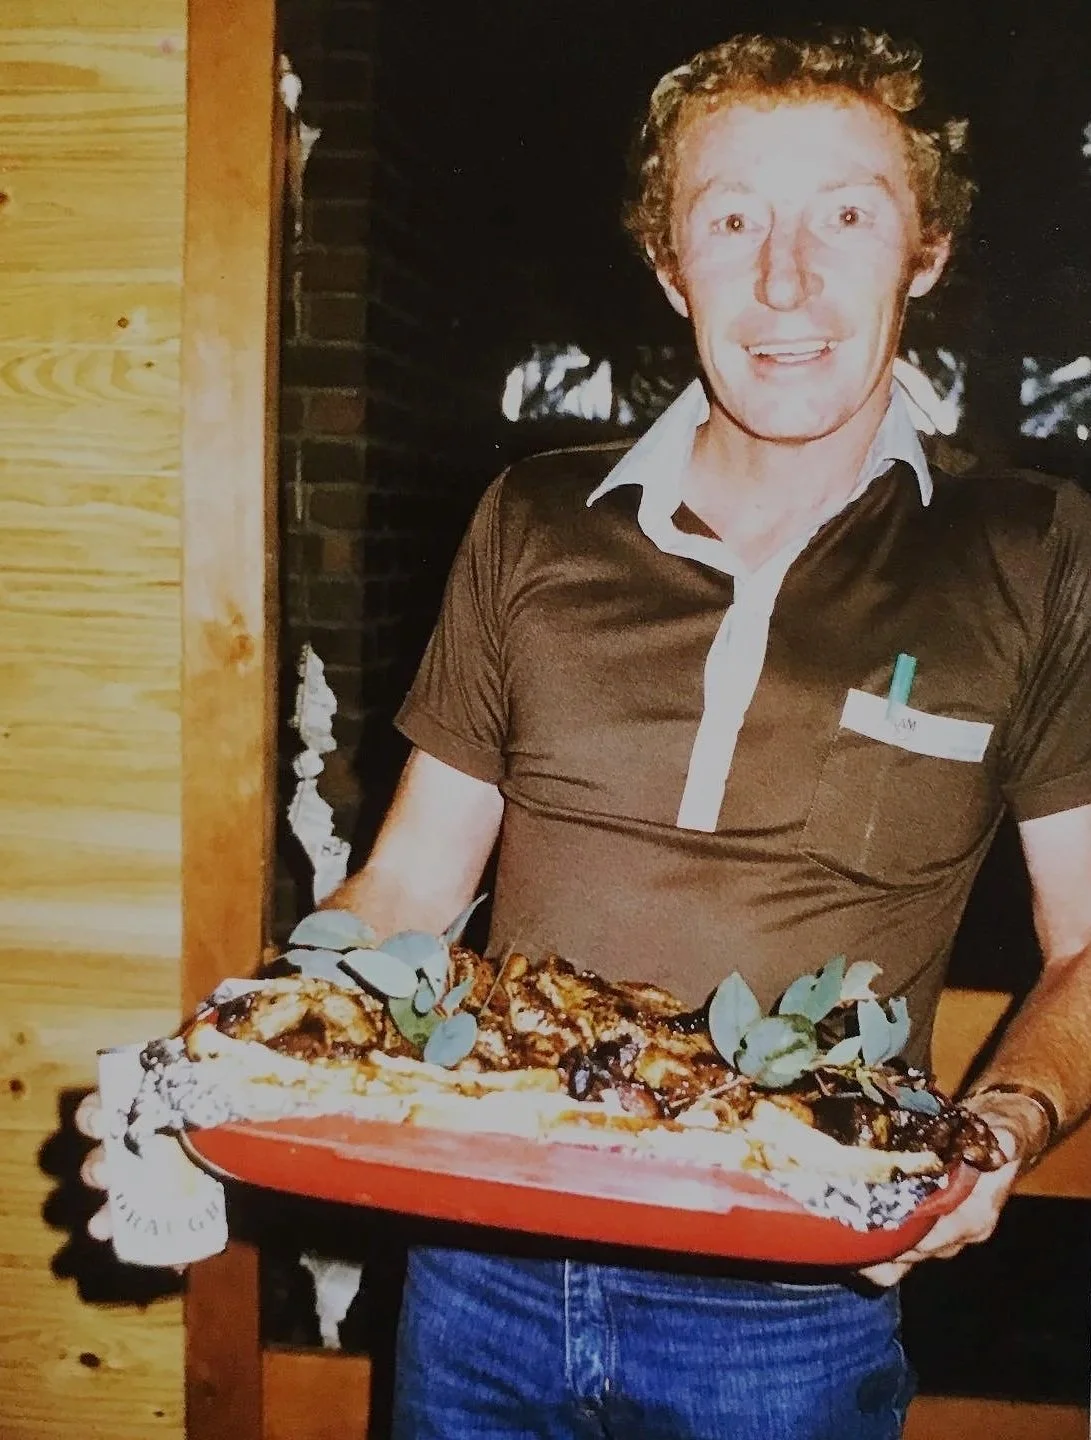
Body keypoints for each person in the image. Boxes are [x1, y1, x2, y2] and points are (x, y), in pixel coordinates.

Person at [79, 25, 1091, 1440]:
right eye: (729, 218)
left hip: (788, 1309)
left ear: (922, 250)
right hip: (473, 1270)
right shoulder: (533, 520)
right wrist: (228, 1065)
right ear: (669, 264)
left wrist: (993, 1137)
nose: (783, 277)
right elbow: (413, 893)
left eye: (845, 214)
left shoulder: (1033, 553)